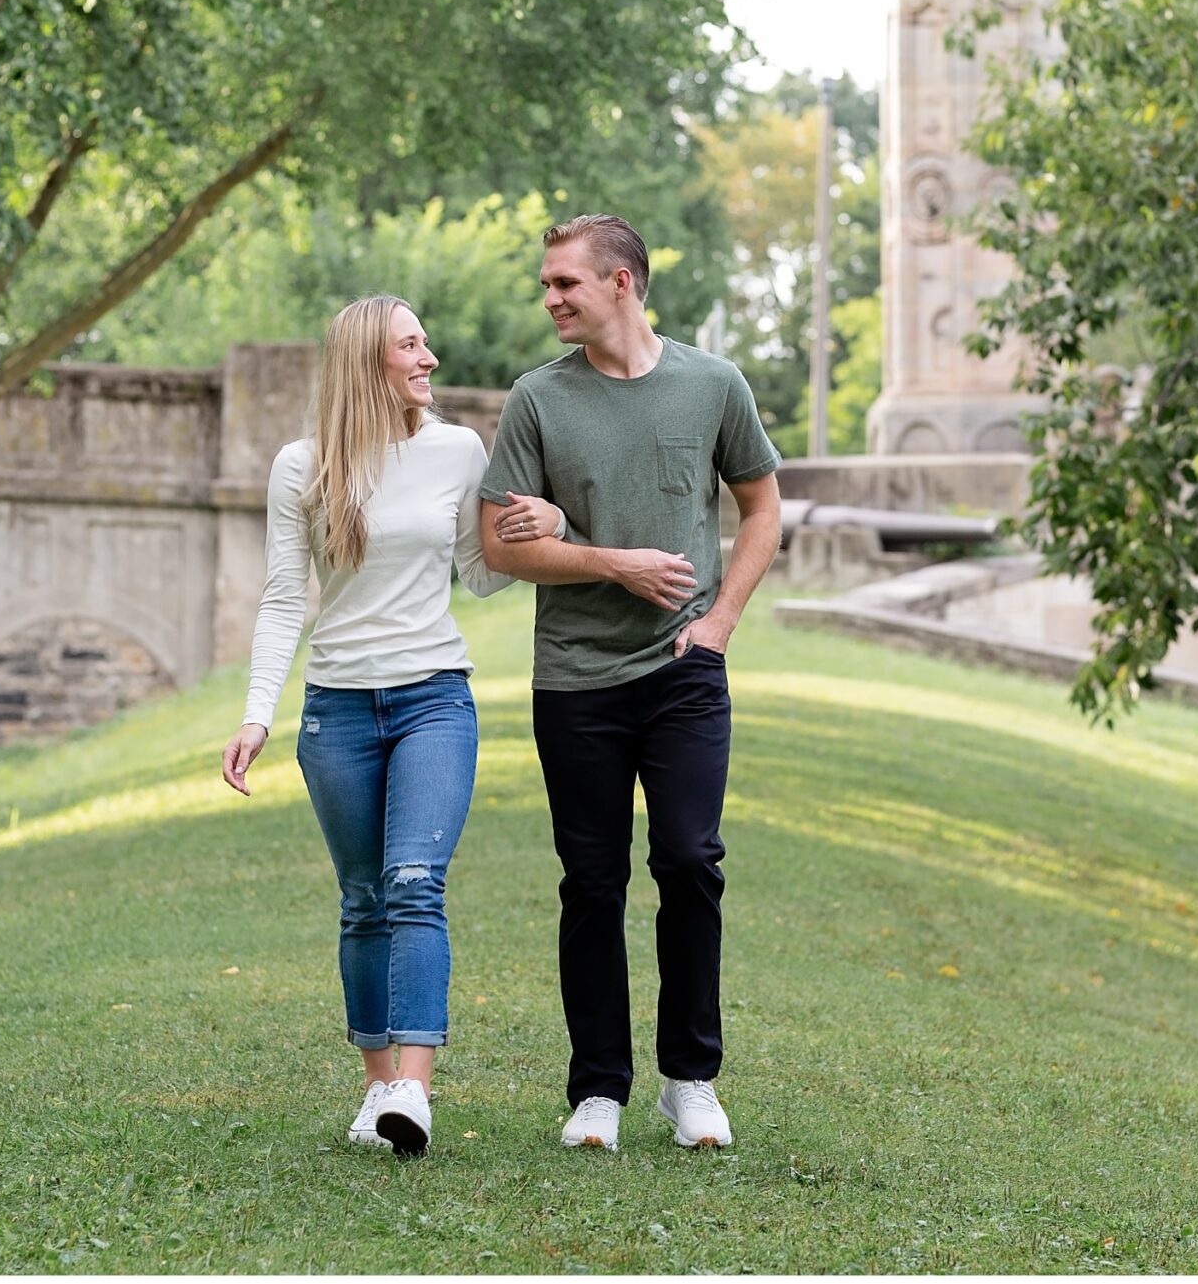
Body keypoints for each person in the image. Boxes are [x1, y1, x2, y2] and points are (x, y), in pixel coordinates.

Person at [222, 294, 566, 1159]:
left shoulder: (457, 450)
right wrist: (258, 713)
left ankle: (413, 1084)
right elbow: (282, 598)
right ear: (368, 361)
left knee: (415, 880)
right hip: (336, 708)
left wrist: (545, 530)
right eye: (411, 345)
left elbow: (479, 573)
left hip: (432, 699)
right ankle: (378, 1088)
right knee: (364, 897)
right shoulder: (301, 467)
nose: (431, 359)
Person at [477, 213, 783, 1152]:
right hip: (575, 681)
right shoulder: (537, 399)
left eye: (564, 282)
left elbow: (762, 505)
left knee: (691, 861)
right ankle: (598, 1089)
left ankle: (690, 1079)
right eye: (545, 284)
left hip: (685, 672)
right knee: (592, 881)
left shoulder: (713, 384)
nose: (550, 298)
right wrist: (612, 563)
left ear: (621, 282)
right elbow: (498, 547)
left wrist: (720, 622)